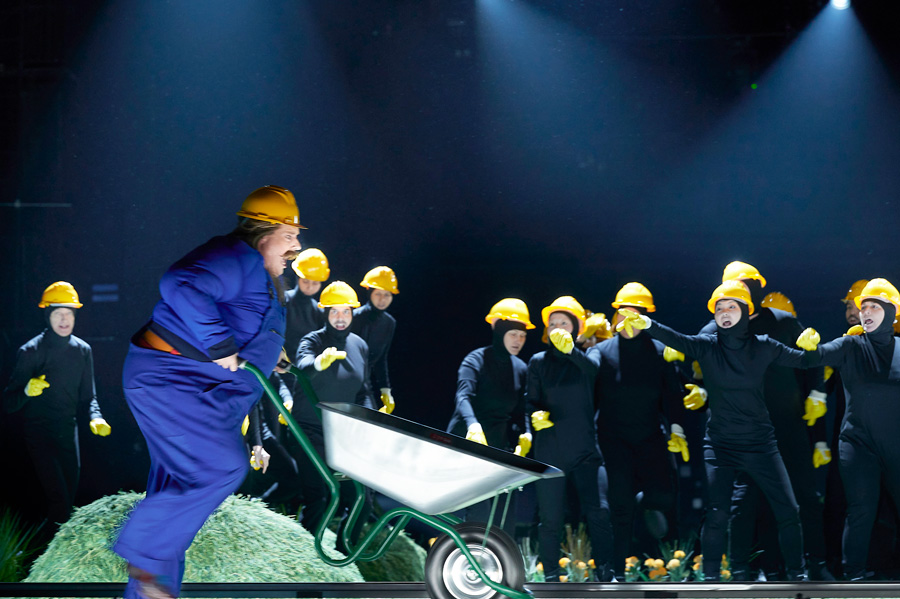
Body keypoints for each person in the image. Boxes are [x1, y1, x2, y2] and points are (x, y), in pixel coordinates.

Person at [111, 185, 303, 599]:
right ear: (263, 232)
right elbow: (179, 283)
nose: (296, 246)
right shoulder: (237, 256)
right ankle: (142, 552)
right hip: (175, 385)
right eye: (290, 236)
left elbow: (244, 317)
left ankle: (147, 592)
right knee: (223, 465)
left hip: (201, 394)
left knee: (175, 487)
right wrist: (220, 345)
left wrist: (272, 353)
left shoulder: (259, 271)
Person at [616, 280, 817, 581]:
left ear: (746, 311)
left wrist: (815, 347)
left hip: (761, 444)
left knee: (788, 509)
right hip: (721, 446)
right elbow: (678, 339)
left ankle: (798, 575)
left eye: (731, 306)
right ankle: (710, 578)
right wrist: (647, 322)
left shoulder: (763, 346)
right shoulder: (708, 346)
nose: (724, 312)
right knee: (718, 512)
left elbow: (803, 361)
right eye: (719, 307)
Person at [697, 262, 832, 580]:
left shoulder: (783, 321)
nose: (742, 291)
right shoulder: (713, 331)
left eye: (747, 284)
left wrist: (817, 392)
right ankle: (748, 567)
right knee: (745, 503)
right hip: (744, 431)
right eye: (734, 287)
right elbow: (697, 373)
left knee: (804, 497)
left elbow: (810, 357)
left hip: (788, 424)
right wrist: (696, 392)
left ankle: (815, 565)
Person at [798, 278, 900, 581]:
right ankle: (850, 570)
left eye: (870, 306)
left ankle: (884, 566)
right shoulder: (851, 342)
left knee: (883, 513)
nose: (858, 313)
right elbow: (821, 365)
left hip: (891, 437)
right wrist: (818, 393)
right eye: (856, 307)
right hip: (855, 437)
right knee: (855, 507)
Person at [588, 283, 688, 577]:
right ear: (615, 317)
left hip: (650, 438)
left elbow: (672, 396)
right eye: (623, 313)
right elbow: (587, 389)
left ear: (646, 318)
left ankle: (661, 565)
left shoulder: (660, 352)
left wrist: (678, 429)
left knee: (663, 498)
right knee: (619, 509)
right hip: (612, 441)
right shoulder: (602, 352)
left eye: (635, 314)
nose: (628, 320)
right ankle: (618, 572)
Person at [3, 281, 111, 534]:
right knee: (59, 503)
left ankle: (38, 559)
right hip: (39, 434)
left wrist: (96, 417)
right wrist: (27, 391)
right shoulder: (30, 351)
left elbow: (89, 397)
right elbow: (9, 402)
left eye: (69, 314)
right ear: (47, 314)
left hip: (68, 431)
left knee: (65, 507)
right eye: (58, 314)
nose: (64, 320)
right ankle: (39, 563)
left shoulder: (83, 350)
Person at [526, 296, 614, 581]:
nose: (557, 327)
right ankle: (550, 576)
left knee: (599, 513)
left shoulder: (591, 355)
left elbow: (593, 372)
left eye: (564, 322)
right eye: (553, 323)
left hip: (586, 451)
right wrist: (534, 419)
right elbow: (531, 402)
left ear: (577, 328)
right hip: (550, 452)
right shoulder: (538, 361)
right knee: (550, 520)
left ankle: (605, 572)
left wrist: (572, 352)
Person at [292, 280, 375, 551]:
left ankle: (342, 556)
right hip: (311, 431)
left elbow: (364, 390)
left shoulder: (359, 346)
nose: (340, 318)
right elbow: (302, 366)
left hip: (343, 434)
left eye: (346, 312)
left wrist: (370, 417)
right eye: (334, 312)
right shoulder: (313, 340)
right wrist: (319, 362)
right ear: (325, 313)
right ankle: (304, 560)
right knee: (323, 496)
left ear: (353, 313)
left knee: (364, 497)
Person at [446, 298, 533, 534]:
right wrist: (473, 425)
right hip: (468, 442)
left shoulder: (521, 368)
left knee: (506, 513)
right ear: (498, 330)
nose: (518, 340)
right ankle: (471, 562)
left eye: (523, 336)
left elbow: (522, 409)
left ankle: (502, 566)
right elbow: (463, 397)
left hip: (498, 446)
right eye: (513, 334)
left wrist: (526, 433)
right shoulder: (475, 360)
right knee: (479, 512)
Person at [350, 266, 399, 414]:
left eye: (387, 295)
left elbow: (381, 359)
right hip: (342, 381)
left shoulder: (389, 323)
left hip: (364, 384)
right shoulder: (354, 317)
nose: (382, 299)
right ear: (370, 292)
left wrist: (386, 390)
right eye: (378, 294)